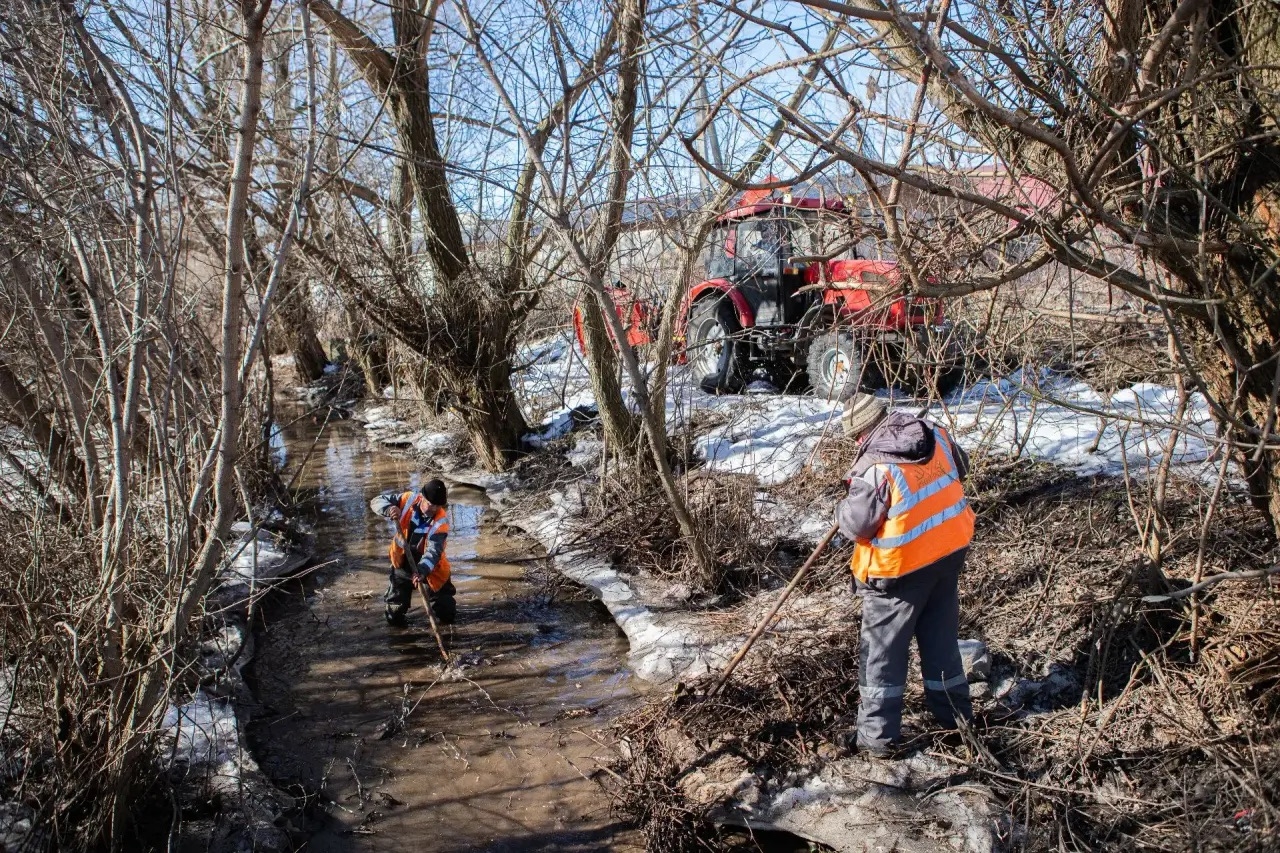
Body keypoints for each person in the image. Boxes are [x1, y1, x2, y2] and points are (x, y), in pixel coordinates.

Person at [834, 393, 975, 757]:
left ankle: (877, 739)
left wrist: (841, 508)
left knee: (882, 656)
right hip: (947, 555)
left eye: (855, 439)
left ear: (863, 433)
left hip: (898, 574)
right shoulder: (936, 435)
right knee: (941, 644)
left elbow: (858, 525)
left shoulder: (875, 467)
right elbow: (963, 465)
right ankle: (957, 723)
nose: (856, 444)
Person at [372, 478, 456, 628]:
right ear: (422, 497)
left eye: (437, 506)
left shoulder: (441, 522)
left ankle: (447, 631)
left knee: (447, 614)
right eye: (431, 504)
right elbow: (377, 501)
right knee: (394, 615)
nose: (433, 509)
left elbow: (433, 551)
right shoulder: (407, 499)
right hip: (402, 565)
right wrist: (388, 509)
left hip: (431, 570)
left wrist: (422, 571)